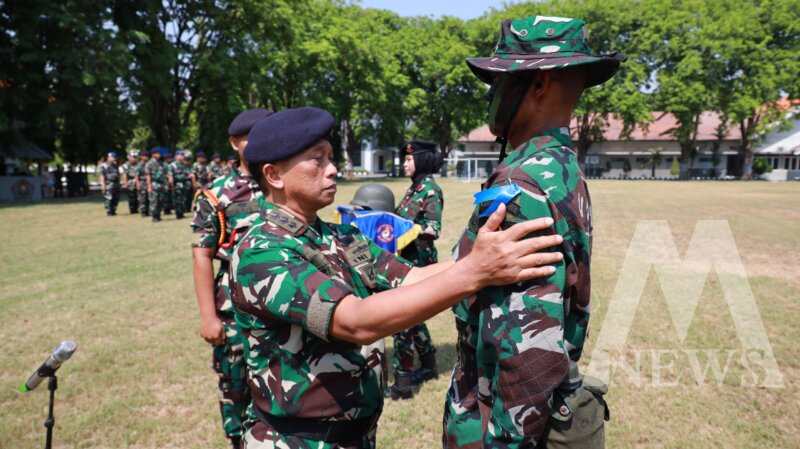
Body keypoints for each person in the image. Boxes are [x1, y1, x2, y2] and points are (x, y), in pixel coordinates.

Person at [231, 106, 564, 449]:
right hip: (292, 440)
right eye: (318, 160)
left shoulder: (339, 236)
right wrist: (474, 271)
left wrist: (486, 255)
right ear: (273, 175)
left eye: (332, 157)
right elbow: (356, 321)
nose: (332, 170)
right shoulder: (262, 251)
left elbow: (413, 276)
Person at [443, 16, 624, 449]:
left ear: (538, 84)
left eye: (500, 82)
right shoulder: (561, 167)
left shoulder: (523, 183)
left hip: (494, 420)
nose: (493, 96)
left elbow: (526, 348)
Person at [191, 108, 274, 449]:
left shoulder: (281, 181)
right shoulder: (217, 195)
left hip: (282, 306)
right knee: (236, 387)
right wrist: (209, 318)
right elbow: (202, 255)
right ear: (235, 143)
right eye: (249, 137)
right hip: (235, 312)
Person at [385, 140, 445, 400]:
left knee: (402, 321)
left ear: (421, 160)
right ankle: (429, 366)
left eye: (409, 159)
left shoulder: (430, 190)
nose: (404, 163)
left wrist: (407, 230)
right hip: (406, 262)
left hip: (419, 264)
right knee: (415, 318)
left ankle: (404, 382)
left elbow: (434, 228)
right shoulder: (413, 190)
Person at [145, 148, 168, 222]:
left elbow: (165, 173)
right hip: (154, 184)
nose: (159, 155)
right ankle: (154, 216)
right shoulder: (149, 163)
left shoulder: (162, 163)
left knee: (161, 200)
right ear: (153, 154)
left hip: (161, 184)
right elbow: (148, 175)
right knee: (154, 201)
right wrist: (149, 186)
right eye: (158, 153)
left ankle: (158, 215)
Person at [168, 150, 191, 219]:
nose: (182, 157)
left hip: (184, 185)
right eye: (181, 155)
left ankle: (181, 213)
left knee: (183, 199)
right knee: (177, 200)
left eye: (183, 155)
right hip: (176, 185)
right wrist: (171, 185)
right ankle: (178, 214)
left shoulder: (184, 165)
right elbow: (170, 176)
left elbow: (188, 174)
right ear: (176, 156)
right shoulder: (172, 165)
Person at [99, 151, 121, 216]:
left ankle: (113, 210)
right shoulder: (104, 166)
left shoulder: (115, 165)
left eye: (115, 157)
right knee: (109, 198)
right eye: (113, 157)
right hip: (109, 184)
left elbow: (118, 174)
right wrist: (103, 186)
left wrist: (119, 184)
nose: (114, 158)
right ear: (108, 157)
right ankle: (109, 212)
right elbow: (102, 176)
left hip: (116, 184)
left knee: (116, 198)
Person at [136, 150, 151, 217]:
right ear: (141, 157)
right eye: (144, 156)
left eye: (147, 156)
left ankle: (149, 211)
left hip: (149, 182)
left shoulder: (149, 164)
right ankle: (143, 212)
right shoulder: (139, 165)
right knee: (142, 198)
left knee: (150, 198)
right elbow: (137, 176)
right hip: (142, 183)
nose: (146, 157)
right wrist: (138, 184)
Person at [163, 151, 174, 215]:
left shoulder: (171, 165)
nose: (170, 159)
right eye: (169, 158)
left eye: (171, 158)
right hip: (165, 183)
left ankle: (169, 209)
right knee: (165, 197)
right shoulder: (164, 165)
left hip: (170, 183)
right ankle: (166, 210)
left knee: (170, 197)